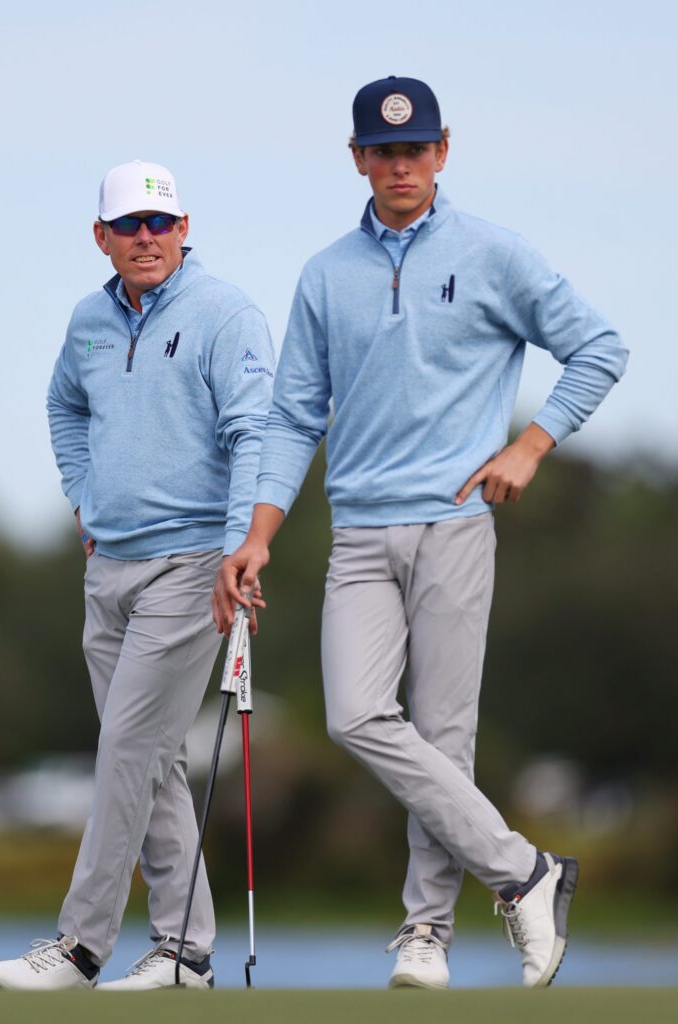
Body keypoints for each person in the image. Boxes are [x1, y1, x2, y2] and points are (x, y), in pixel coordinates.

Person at [215, 76, 628, 990]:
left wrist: (529, 443)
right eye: (383, 151)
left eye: (416, 149)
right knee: (355, 714)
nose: (400, 164)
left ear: (442, 151)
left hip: (454, 523)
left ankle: (425, 934)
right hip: (359, 530)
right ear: (358, 158)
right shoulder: (325, 273)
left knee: (444, 735)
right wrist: (258, 534)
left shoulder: (493, 254)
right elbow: (291, 417)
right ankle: (525, 871)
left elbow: (598, 348)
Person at [0, 160, 275, 991]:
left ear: (184, 228)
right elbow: (62, 405)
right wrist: (80, 495)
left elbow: (254, 432)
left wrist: (237, 549)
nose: (145, 239)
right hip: (106, 567)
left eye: (160, 223)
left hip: (191, 566)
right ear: (101, 237)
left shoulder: (225, 314)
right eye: (129, 226)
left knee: (124, 749)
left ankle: (79, 947)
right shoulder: (88, 320)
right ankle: (184, 952)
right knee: (148, 762)